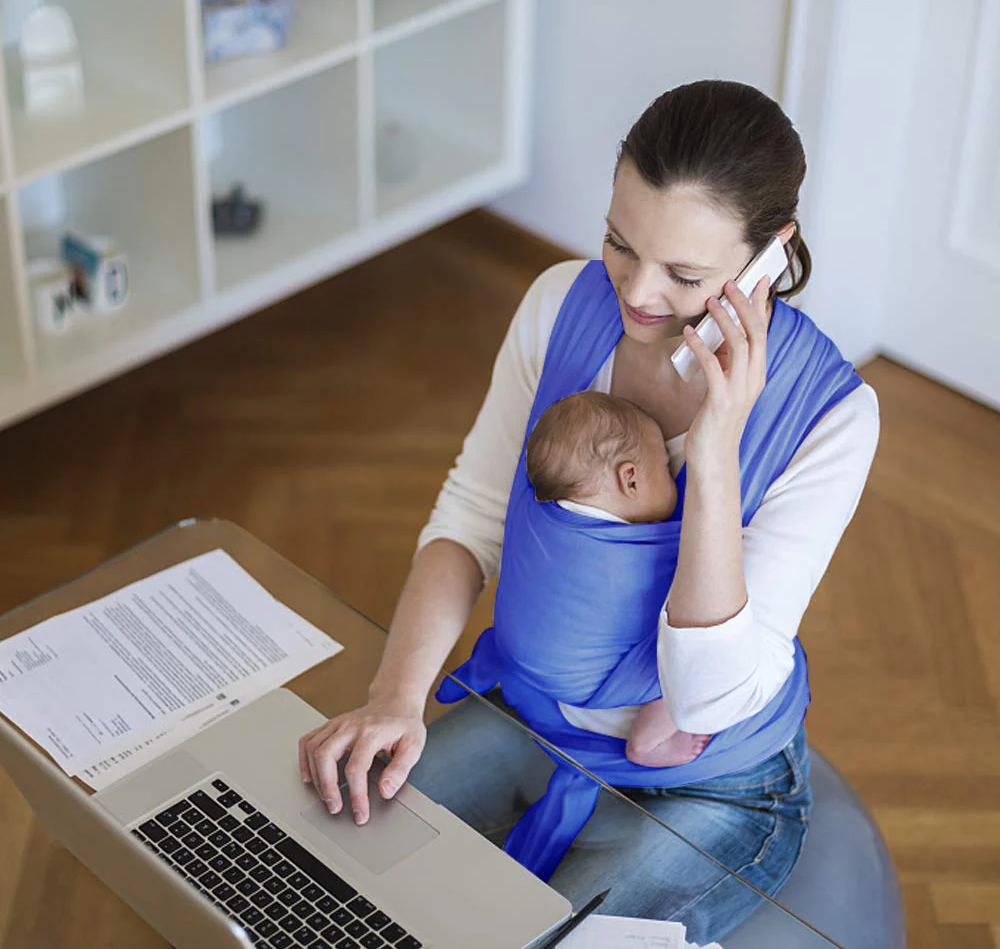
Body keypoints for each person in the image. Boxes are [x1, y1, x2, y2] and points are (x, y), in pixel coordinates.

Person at [299, 80, 880, 943]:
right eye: (618, 242)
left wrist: (713, 456)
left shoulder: (833, 416)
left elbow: (709, 696)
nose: (637, 294)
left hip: (714, 780)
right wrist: (395, 696)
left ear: (769, 256)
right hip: (538, 717)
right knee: (321, 884)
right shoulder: (556, 306)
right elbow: (471, 518)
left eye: (685, 275)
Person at [525, 389, 711, 767]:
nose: (671, 477)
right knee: (691, 653)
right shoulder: (629, 557)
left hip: (531, 671)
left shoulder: (549, 519)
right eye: (663, 467)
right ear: (631, 479)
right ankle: (648, 742)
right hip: (590, 683)